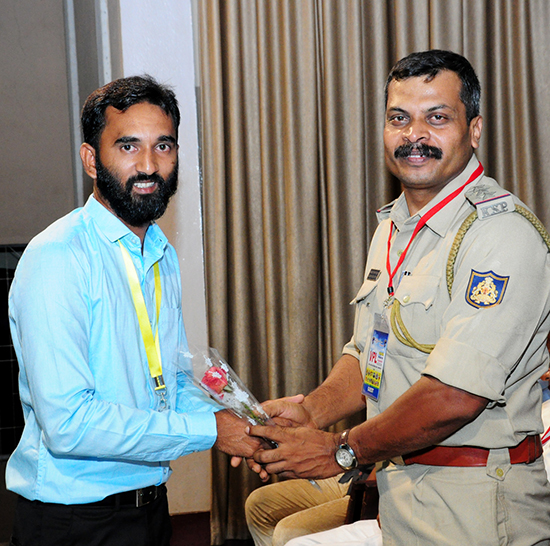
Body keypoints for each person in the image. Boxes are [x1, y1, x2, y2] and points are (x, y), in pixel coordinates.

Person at [247, 50, 550, 545]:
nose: (414, 136)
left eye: (437, 118)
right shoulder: (392, 227)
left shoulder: (501, 236)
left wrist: (341, 449)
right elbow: (371, 352)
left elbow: (454, 396)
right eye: (399, 119)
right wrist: (315, 411)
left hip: (477, 508)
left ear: (473, 129)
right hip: (401, 495)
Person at [6, 75, 263, 546]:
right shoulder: (58, 258)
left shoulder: (159, 253)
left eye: (163, 146)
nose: (149, 165)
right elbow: (70, 425)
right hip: (74, 524)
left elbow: (164, 384)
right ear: (91, 160)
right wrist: (210, 430)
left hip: (149, 510)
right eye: (128, 147)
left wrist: (246, 422)